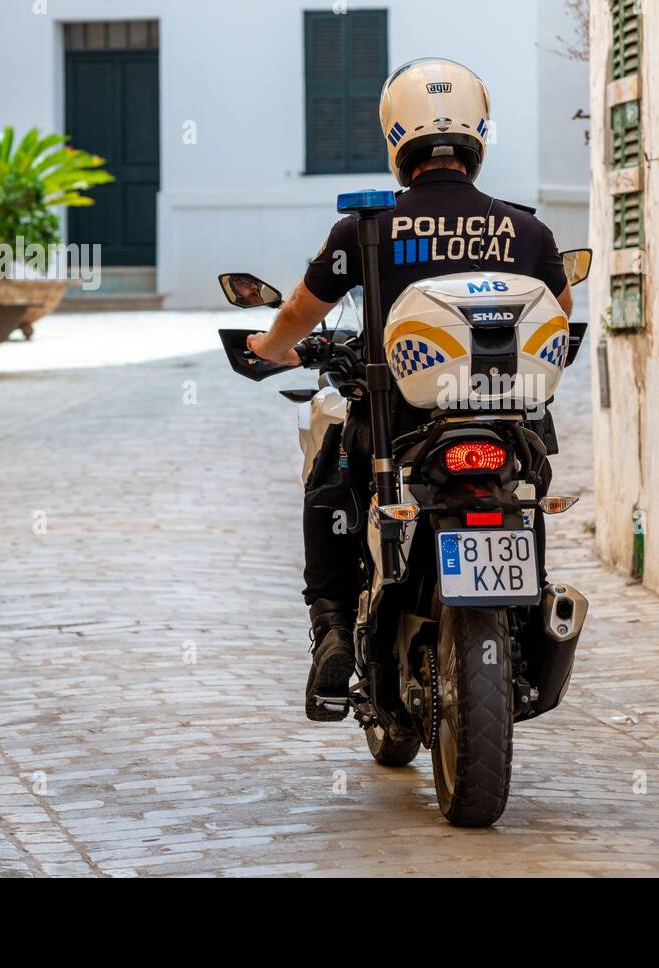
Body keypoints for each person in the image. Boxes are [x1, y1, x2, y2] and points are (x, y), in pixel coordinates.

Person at [245, 57, 572, 720]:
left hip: (396, 433)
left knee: (330, 484)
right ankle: (533, 608)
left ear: (397, 136)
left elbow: (299, 316)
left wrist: (268, 349)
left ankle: (334, 632)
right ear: (479, 132)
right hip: (506, 431)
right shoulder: (528, 231)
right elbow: (560, 317)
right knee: (524, 496)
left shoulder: (364, 228)